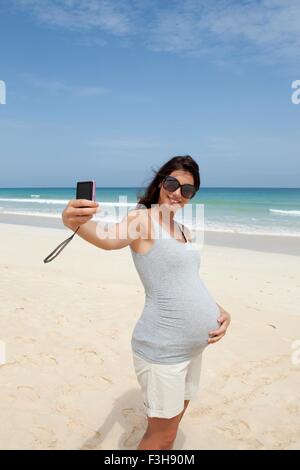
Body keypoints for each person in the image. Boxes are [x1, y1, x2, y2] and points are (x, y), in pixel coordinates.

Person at [62, 155, 231, 450]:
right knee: (162, 437)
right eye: (172, 183)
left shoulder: (184, 231)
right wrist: (71, 221)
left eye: (187, 190)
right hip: (162, 349)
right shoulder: (142, 220)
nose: (178, 193)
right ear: (160, 183)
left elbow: (187, 281)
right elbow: (108, 239)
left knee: (173, 425)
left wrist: (219, 309)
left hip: (193, 349)